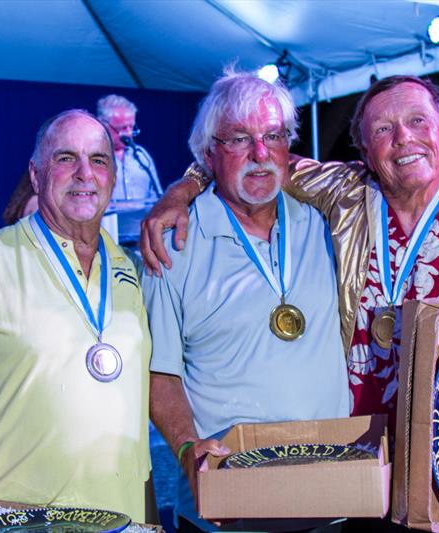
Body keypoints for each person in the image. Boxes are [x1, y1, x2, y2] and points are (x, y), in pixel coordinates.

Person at [141, 76, 439, 533]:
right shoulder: (344, 198)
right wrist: (182, 191)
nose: (403, 139)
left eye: (418, 120)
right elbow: (253, 159)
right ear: (363, 148)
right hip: (355, 491)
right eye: (383, 129)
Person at [0, 109, 152, 532]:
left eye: (99, 160)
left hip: (123, 523)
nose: (85, 173)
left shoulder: (128, 269)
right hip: (15, 522)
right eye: (65, 158)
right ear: (35, 175)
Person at [143, 70, 349, 532]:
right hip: (228, 504)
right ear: (209, 153)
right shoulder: (174, 241)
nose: (260, 154)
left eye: (272, 136)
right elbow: (159, 371)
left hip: (330, 495)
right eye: (239, 139)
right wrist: (185, 447)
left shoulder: (326, 224)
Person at [97, 94, 162, 201]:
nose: (128, 133)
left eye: (131, 127)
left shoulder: (141, 155)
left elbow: (157, 195)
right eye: (122, 128)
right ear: (103, 125)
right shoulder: (91, 156)